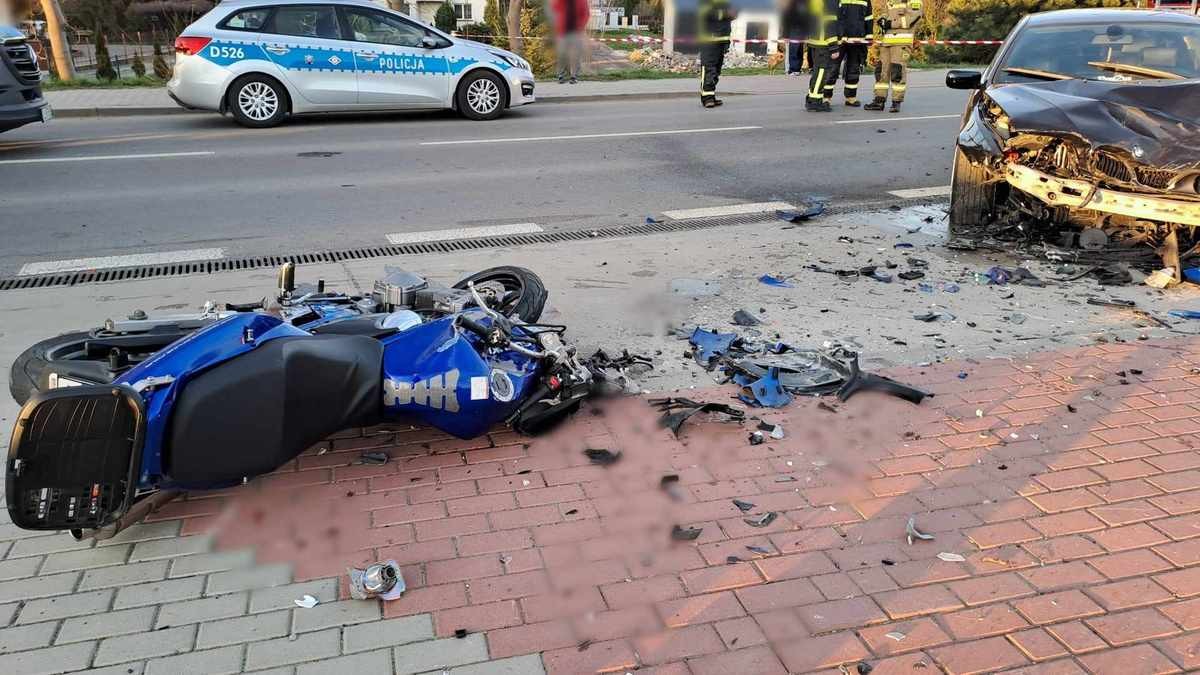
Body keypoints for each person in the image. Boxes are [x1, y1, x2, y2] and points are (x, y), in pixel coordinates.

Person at [865, 0, 923, 112]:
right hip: (887, 42)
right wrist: (881, 19)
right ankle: (879, 100)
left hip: (902, 42)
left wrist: (891, 24)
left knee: (897, 72)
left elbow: (913, 18)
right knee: (881, 71)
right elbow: (885, 13)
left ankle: (896, 102)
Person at [805, 0, 842, 112]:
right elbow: (830, 23)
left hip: (815, 41)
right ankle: (815, 102)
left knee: (817, 73)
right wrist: (834, 46)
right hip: (824, 43)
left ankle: (811, 98)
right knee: (821, 73)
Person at [698, 0, 734, 108]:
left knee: (716, 70)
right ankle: (707, 98)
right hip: (709, 39)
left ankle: (711, 95)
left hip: (722, 39)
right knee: (709, 68)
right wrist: (726, 13)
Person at [836, 0, 871, 106]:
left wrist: (869, 36)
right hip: (839, 39)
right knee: (832, 69)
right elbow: (833, 16)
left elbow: (869, 18)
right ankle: (826, 97)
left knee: (854, 69)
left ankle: (851, 97)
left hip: (857, 39)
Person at [551, 0, 590, 84]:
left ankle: (574, 77)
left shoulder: (582, 1)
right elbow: (554, 10)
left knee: (575, 56)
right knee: (562, 55)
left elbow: (586, 14)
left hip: (576, 32)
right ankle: (560, 76)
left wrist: (581, 26)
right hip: (563, 32)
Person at [781, 0, 809, 76]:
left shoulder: (806, 4)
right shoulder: (791, 5)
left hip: (802, 30)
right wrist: (785, 35)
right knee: (794, 49)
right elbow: (785, 20)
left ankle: (798, 68)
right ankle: (793, 69)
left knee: (800, 49)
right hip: (793, 29)